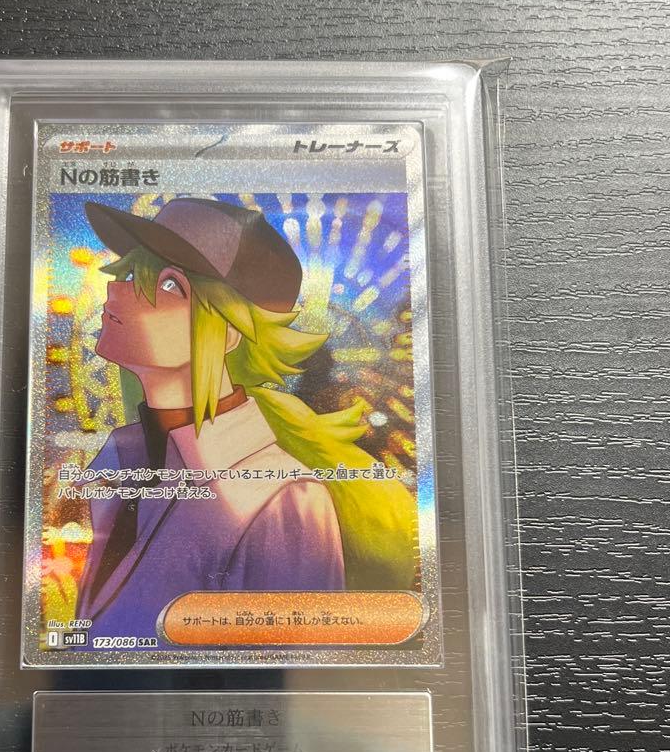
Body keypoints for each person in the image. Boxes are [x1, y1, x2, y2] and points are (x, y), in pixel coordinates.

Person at [74, 197, 416, 641]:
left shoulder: (285, 501)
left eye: (171, 285)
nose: (118, 293)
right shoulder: (119, 460)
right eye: (130, 275)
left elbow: (293, 665)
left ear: (230, 332)